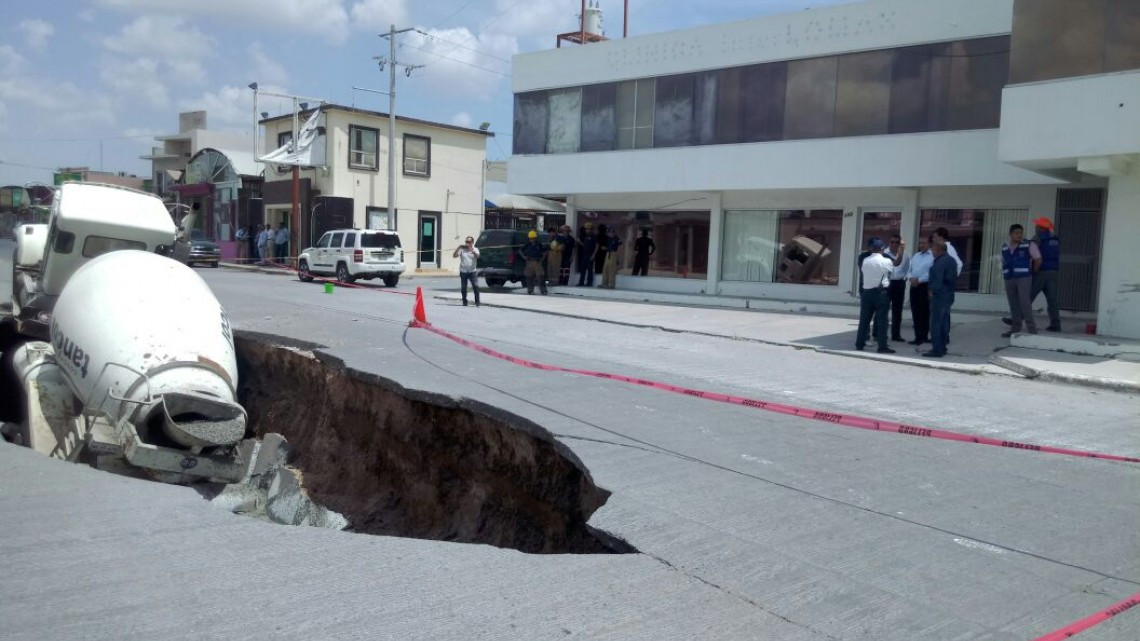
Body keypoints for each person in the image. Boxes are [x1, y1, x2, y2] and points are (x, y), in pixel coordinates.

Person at [1004, 217, 1062, 332]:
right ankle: (1055, 324)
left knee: (1027, 296)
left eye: (1037, 226)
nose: (1035, 228)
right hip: (1054, 272)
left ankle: (1017, 319)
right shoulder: (1055, 238)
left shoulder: (1037, 238)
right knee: (1052, 299)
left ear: (1041, 228)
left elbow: (1031, 254)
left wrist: (1032, 271)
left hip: (1041, 271)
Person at [855, 238, 895, 354]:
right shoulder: (886, 261)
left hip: (866, 293)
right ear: (882, 249)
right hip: (881, 293)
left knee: (864, 320)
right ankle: (882, 346)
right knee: (882, 321)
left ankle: (859, 343)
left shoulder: (865, 260)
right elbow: (892, 273)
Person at [1001, 223, 1040, 337]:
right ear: (1010, 234)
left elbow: (1038, 259)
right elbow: (1004, 261)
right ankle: (1015, 328)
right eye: (1016, 233)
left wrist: (1032, 271)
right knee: (1013, 303)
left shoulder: (1029, 244)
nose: (1019, 235)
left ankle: (1031, 328)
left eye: (1021, 233)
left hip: (1024, 277)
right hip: (1009, 277)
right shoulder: (1005, 246)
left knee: (1025, 302)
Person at [925, 239, 957, 358]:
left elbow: (937, 279)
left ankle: (937, 349)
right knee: (944, 323)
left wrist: (932, 291)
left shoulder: (940, 262)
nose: (932, 251)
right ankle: (943, 347)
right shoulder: (951, 260)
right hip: (949, 295)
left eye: (933, 249)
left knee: (936, 323)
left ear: (938, 249)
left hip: (939, 295)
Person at [906, 237, 933, 345]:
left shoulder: (932, 256)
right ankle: (917, 337)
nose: (921, 245)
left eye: (924, 243)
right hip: (914, 286)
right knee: (915, 311)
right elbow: (909, 269)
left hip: (924, 286)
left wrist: (919, 280)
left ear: (929, 244)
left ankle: (924, 336)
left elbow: (931, 272)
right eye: (920, 243)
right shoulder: (916, 256)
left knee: (924, 312)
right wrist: (910, 278)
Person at [884, 235, 909, 342]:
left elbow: (908, 269)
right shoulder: (884, 254)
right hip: (887, 283)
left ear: (900, 244)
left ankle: (896, 335)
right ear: (889, 242)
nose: (894, 244)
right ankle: (877, 333)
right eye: (892, 242)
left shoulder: (905, 256)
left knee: (897, 311)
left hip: (899, 283)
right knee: (883, 309)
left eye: (896, 242)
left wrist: (904, 279)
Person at [453, 235, 480, 307]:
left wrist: (472, 250)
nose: (467, 243)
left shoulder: (475, 249)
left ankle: (477, 302)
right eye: (466, 241)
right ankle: (464, 301)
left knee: (475, 286)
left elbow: (478, 256)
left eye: (469, 242)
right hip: (463, 271)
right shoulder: (462, 250)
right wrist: (459, 247)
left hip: (472, 271)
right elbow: (454, 255)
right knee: (464, 287)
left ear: (472, 242)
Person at [519, 230, 547, 295]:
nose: (532, 240)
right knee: (529, 277)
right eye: (531, 238)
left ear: (536, 238)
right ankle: (530, 290)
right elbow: (520, 250)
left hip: (537, 262)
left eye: (533, 238)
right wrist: (524, 257)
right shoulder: (527, 245)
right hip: (529, 262)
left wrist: (542, 259)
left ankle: (543, 290)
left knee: (540, 276)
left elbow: (545, 251)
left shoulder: (539, 244)